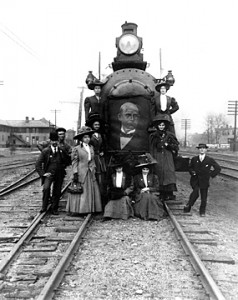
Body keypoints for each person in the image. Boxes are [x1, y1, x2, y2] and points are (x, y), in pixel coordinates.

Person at [66, 126, 102, 215]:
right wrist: (75, 172)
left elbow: (92, 159)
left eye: (88, 137)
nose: (87, 139)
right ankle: (79, 210)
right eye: (85, 137)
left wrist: (93, 168)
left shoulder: (91, 147)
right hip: (81, 171)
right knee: (81, 191)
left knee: (91, 190)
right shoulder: (77, 148)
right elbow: (74, 161)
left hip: (90, 171)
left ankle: (90, 209)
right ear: (81, 139)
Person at [35, 131, 71, 214]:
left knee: (57, 191)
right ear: (50, 141)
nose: (54, 142)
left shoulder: (62, 150)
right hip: (49, 174)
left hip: (59, 173)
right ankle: (44, 207)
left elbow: (68, 160)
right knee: (46, 188)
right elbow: (37, 164)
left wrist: (63, 165)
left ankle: (54, 208)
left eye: (56, 141)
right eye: (53, 141)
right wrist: (43, 174)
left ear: (58, 141)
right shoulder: (46, 151)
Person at [183, 143, 221, 217]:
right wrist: (192, 173)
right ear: (198, 150)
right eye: (200, 148)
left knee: (204, 197)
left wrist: (211, 175)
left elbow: (218, 168)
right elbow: (190, 168)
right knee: (195, 191)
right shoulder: (194, 159)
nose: (202, 149)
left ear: (206, 150)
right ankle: (189, 205)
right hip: (195, 180)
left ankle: (202, 211)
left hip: (204, 180)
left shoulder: (209, 159)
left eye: (203, 148)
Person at [149, 114, 179, 201]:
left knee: (168, 173)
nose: (161, 127)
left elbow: (176, 146)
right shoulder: (153, 136)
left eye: (163, 125)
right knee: (160, 173)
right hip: (158, 156)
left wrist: (168, 145)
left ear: (165, 126)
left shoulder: (169, 135)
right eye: (160, 125)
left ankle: (170, 193)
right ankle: (162, 193)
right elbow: (151, 147)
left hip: (167, 156)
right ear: (157, 126)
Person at [133, 153, 166, 221]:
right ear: (141, 169)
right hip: (141, 194)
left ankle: (154, 215)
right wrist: (141, 190)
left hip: (152, 193)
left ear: (149, 170)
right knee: (145, 197)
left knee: (151, 198)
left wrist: (148, 188)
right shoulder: (137, 177)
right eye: (144, 169)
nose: (145, 171)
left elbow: (157, 187)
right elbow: (135, 187)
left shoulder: (154, 177)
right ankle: (144, 214)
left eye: (147, 169)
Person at [85, 113, 107, 208]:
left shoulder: (102, 135)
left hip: (100, 158)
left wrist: (103, 151)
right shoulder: (89, 136)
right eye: (95, 125)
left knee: (102, 177)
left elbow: (104, 146)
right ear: (92, 126)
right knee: (94, 177)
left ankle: (101, 201)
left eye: (98, 125)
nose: (97, 126)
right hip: (93, 157)